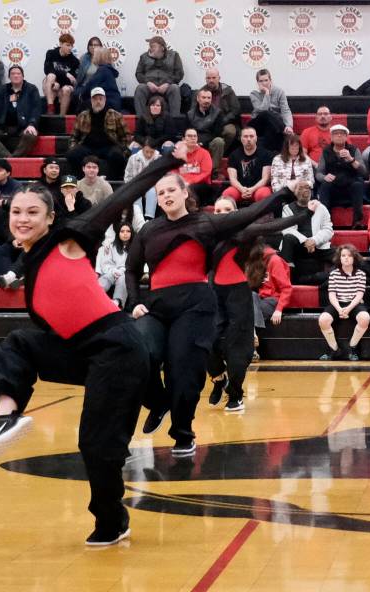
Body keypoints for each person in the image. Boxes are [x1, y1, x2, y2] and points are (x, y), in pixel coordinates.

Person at [0, 148, 185, 546]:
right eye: (17, 212)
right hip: (82, 351)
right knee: (19, 342)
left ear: (51, 218)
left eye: (33, 212)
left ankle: (112, 521)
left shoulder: (68, 239)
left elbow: (119, 199)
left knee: (95, 443)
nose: (22, 219)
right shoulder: (30, 267)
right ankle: (5, 417)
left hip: (117, 348)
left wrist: (165, 163)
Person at [125, 160, 294, 456]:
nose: (165, 196)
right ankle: (158, 402)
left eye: (170, 190)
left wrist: (285, 195)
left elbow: (250, 214)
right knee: (139, 351)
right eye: (160, 192)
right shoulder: (149, 229)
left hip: (195, 305)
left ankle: (183, 433)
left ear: (183, 192)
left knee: (182, 369)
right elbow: (131, 269)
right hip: (158, 305)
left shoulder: (205, 223)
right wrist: (136, 302)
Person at [205, 195, 313, 410]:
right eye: (218, 210)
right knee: (207, 342)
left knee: (237, 349)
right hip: (214, 293)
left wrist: (306, 213)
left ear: (236, 212)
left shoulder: (244, 232)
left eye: (227, 209)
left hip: (238, 294)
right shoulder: (207, 233)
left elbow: (276, 224)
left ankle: (235, 394)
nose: (222, 214)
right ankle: (218, 378)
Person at [318, 245, 370, 361]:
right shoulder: (333, 274)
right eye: (343, 255)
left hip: (354, 303)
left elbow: (359, 295)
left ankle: (352, 348)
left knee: (365, 318)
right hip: (337, 303)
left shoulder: (361, 274)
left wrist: (349, 308)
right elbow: (331, 295)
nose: (346, 258)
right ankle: (334, 349)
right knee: (323, 320)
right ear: (339, 258)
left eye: (349, 255)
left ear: (354, 258)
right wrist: (339, 309)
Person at [0, 65, 41, 159]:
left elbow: (36, 109)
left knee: (31, 136)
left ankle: (14, 159)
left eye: (18, 74)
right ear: (9, 77)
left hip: (23, 126)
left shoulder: (31, 89)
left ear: (23, 76)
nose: (16, 76)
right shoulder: (1, 89)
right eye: (13, 74)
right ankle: (8, 158)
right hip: (3, 127)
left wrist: (32, 124)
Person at [67, 88, 130, 178]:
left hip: (109, 147)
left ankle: (114, 181)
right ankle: (81, 179)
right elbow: (74, 136)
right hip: (87, 147)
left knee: (117, 155)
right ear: (91, 100)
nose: (98, 102)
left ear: (105, 100)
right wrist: (73, 147)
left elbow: (126, 136)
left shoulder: (116, 115)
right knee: (72, 155)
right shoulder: (82, 116)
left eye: (100, 99)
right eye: (95, 99)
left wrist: (124, 149)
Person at [279, 182, 334, 282]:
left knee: (343, 253)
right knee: (287, 238)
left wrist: (314, 240)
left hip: (318, 246)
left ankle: (329, 277)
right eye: (301, 188)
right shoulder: (287, 208)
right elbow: (288, 229)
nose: (305, 190)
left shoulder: (321, 207)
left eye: (307, 188)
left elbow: (328, 230)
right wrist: (306, 241)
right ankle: (287, 280)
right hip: (299, 246)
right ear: (295, 192)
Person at [317, 124, 367, 228]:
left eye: (342, 134)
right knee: (325, 185)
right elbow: (318, 174)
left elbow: (364, 172)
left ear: (346, 137)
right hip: (334, 187)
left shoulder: (354, 150)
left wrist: (351, 159)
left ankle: (357, 222)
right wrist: (324, 177)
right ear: (331, 137)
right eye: (336, 134)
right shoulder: (326, 151)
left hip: (351, 187)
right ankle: (326, 223)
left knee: (358, 185)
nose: (339, 136)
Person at [133, 36, 184, 118]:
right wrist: (148, 82)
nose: (150, 48)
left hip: (167, 87)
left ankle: (175, 121)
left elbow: (179, 74)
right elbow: (138, 74)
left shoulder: (174, 56)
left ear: (162, 48)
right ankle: (141, 120)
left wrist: (168, 83)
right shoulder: (144, 57)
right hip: (149, 86)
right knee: (140, 88)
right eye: (150, 46)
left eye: (153, 46)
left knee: (175, 88)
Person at [224, 126, 273, 204]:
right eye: (246, 136)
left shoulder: (266, 154)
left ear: (256, 138)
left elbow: (265, 178)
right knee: (227, 194)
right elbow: (232, 178)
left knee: (264, 194)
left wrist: (252, 189)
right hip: (240, 189)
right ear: (241, 139)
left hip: (258, 188)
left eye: (251, 136)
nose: (249, 139)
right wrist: (242, 189)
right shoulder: (233, 155)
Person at [249, 69, 293, 152]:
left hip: (273, 125)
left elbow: (285, 110)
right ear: (257, 82)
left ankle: (274, 155)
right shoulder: (253, 94)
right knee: (266, 113)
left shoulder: (279, 92)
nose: (264, 83)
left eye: (266, 80)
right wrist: (267, 93)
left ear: (271, 80)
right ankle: (284, 131)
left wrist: (289, 126)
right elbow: (263, 110)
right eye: (261, 81)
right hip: (258, 123)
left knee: (272, 131)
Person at [187, 88, 227, 175]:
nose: (206, 100)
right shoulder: (190, 114)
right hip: (194, 140)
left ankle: (212, 171)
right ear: (198, 98)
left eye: (209, 98)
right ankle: (190, 170)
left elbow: (217, 133)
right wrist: (195, 141)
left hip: (210, 141)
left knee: (219, 141)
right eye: (204, 97)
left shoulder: (218, 113)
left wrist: (202, 142)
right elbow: (187, 131)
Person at [200, 68, 241, 151]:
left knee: (230, 131)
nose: (211, 80)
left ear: (219, 78)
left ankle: (219, 152)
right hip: (207, 123)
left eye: (214, 78)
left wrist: (222, 120)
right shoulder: (201, 92)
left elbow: (236, 110)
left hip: (225, 122)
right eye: (208, 78)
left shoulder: (228, 91)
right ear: (205, 79)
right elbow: (194, 111)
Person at [124, 138, 162, 220]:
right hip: (136, 185)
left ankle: (149, 218)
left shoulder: (159, 159)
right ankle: (139, 218)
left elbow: (162, 177)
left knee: (152, 191)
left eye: (151, 152)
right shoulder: (133, 158)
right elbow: (127, 176)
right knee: (136, 193)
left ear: (155, 150)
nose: (149, 155)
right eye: (146, 152)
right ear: (142, 149)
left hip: (153, 186)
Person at [43, 34, 80, 116]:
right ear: (60, 44)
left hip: (65, 85)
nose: (70, 48)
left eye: (71, 46)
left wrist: (61, 81)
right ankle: (50, 107)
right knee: (50, 76)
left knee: (66, 89)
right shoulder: (51, 53)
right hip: (52, 83)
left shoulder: (74, 61)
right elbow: (47, 69)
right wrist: (65, 74)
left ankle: (61, 117)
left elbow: (72, 79)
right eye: (67, 45)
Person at [256, 243, 293, 327]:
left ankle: (252, 335)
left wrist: (279, 309)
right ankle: (253, 335)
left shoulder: (275, 261)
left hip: (274, 299)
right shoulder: (257, 261)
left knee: (251, 312)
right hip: (261, 298)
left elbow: (286, 288)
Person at [96, 222, 132, 307]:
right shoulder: (111, 246)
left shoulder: (135, 248)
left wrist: (122, 271)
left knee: (123, 277)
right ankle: (95, 296)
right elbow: (106, 264)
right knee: (107, 277)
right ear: (118, 233)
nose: (125, 234)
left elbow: (134, 266)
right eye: (122, 231)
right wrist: (113, 271)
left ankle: (116, 302)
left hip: (125, 275)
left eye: (128, 231)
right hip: (111, 272)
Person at [75, 48, 120, 114]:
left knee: (80, 109)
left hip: (108, 104)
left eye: (95, 55)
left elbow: (90, 88)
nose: (93, 57)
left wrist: (80, 95)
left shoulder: (102, 70)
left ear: (99, 57)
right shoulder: (108, 69)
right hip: (114, 103)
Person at [178, 128, 215, 206]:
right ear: (183, 139)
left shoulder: (204, 153)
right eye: (190, 136)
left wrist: (189, 182)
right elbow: (173, 171)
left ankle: (192, 211)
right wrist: (181, 182)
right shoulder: (178, 154)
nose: (193, 138)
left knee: (190, 188)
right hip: (182, 183)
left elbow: (206, 173)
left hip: (201, 185)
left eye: (195, 136)